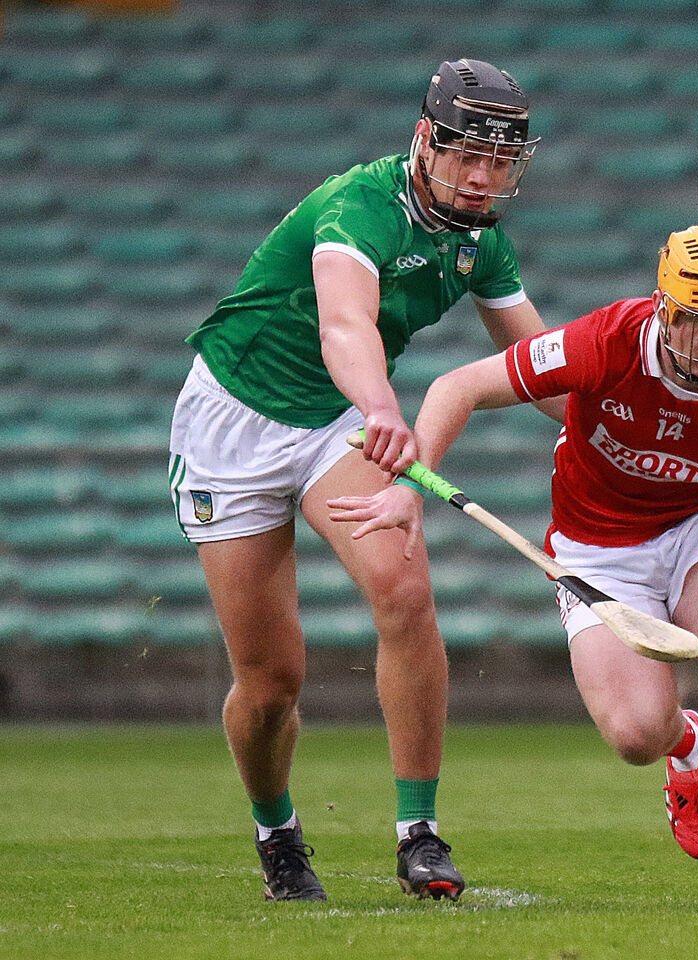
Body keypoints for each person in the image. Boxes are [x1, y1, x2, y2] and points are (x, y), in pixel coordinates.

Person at [329, 226, 698, 906]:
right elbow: (460, 386)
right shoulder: (605, 342)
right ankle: (684, 742)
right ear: (665, 310)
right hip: (598, 546)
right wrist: (407, 485)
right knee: (635, 735)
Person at [168, 58, 558, 902]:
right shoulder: (358, 207)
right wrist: (382, 404)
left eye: (500, 162)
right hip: (236, 422)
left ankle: (418, 833)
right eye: (467, 154)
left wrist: (626, 429)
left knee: (405, 590)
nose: (483, 177)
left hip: (333, 423)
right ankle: (277, 832)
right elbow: (346, 322)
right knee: (272, 682)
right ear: (427, 141)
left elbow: (544, 371)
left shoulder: (482, 239)